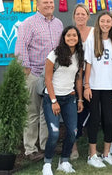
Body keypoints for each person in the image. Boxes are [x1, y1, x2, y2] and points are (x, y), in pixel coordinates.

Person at [15, 0, 63, 161]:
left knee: (47, 112)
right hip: (34, 73)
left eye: (51, 2)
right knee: (32, 112)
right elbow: (21, 47)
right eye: (45, 3)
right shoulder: (29, 23)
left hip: (52, 76)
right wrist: (26, 70)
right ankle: (30, 149)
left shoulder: (58, 23)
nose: (49, 5)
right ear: (37, 5)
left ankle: (45, 145)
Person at [41, 26, 84, 175]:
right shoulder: (54, 54)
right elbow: (47, 78)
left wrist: (80, 100)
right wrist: (54, 101)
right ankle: (47, 164)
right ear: (63, 38)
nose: (72, 38)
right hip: (52, 98)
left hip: (70, 98)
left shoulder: (79, 55)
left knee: (73, 131)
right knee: (54, 133)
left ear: (78, 38)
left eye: (74, 35)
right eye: (68, 35)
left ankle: (64, 161)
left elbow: (78, 79)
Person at [84, 11, 112, 168]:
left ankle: (106, 153)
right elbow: (88, 64)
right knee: (94, 119)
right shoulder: (92, 39)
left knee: (109, 119)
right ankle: (92, 154)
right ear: (98, 22)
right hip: (94, 86)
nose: (105, 24)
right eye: (103, 21)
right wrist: (86, 85)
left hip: (109, 86)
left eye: (108, 21)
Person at [71, 3, 93, 160]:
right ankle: (73, 147)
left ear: (88, 16)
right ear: (74, 16)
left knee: (92, 110)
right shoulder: (70, 33)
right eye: (77, 14)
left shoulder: (94, 32)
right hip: (72, 77)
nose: (80, 16)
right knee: (74, 112)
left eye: (83, 14)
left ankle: (93, 146)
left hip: (92, 75)